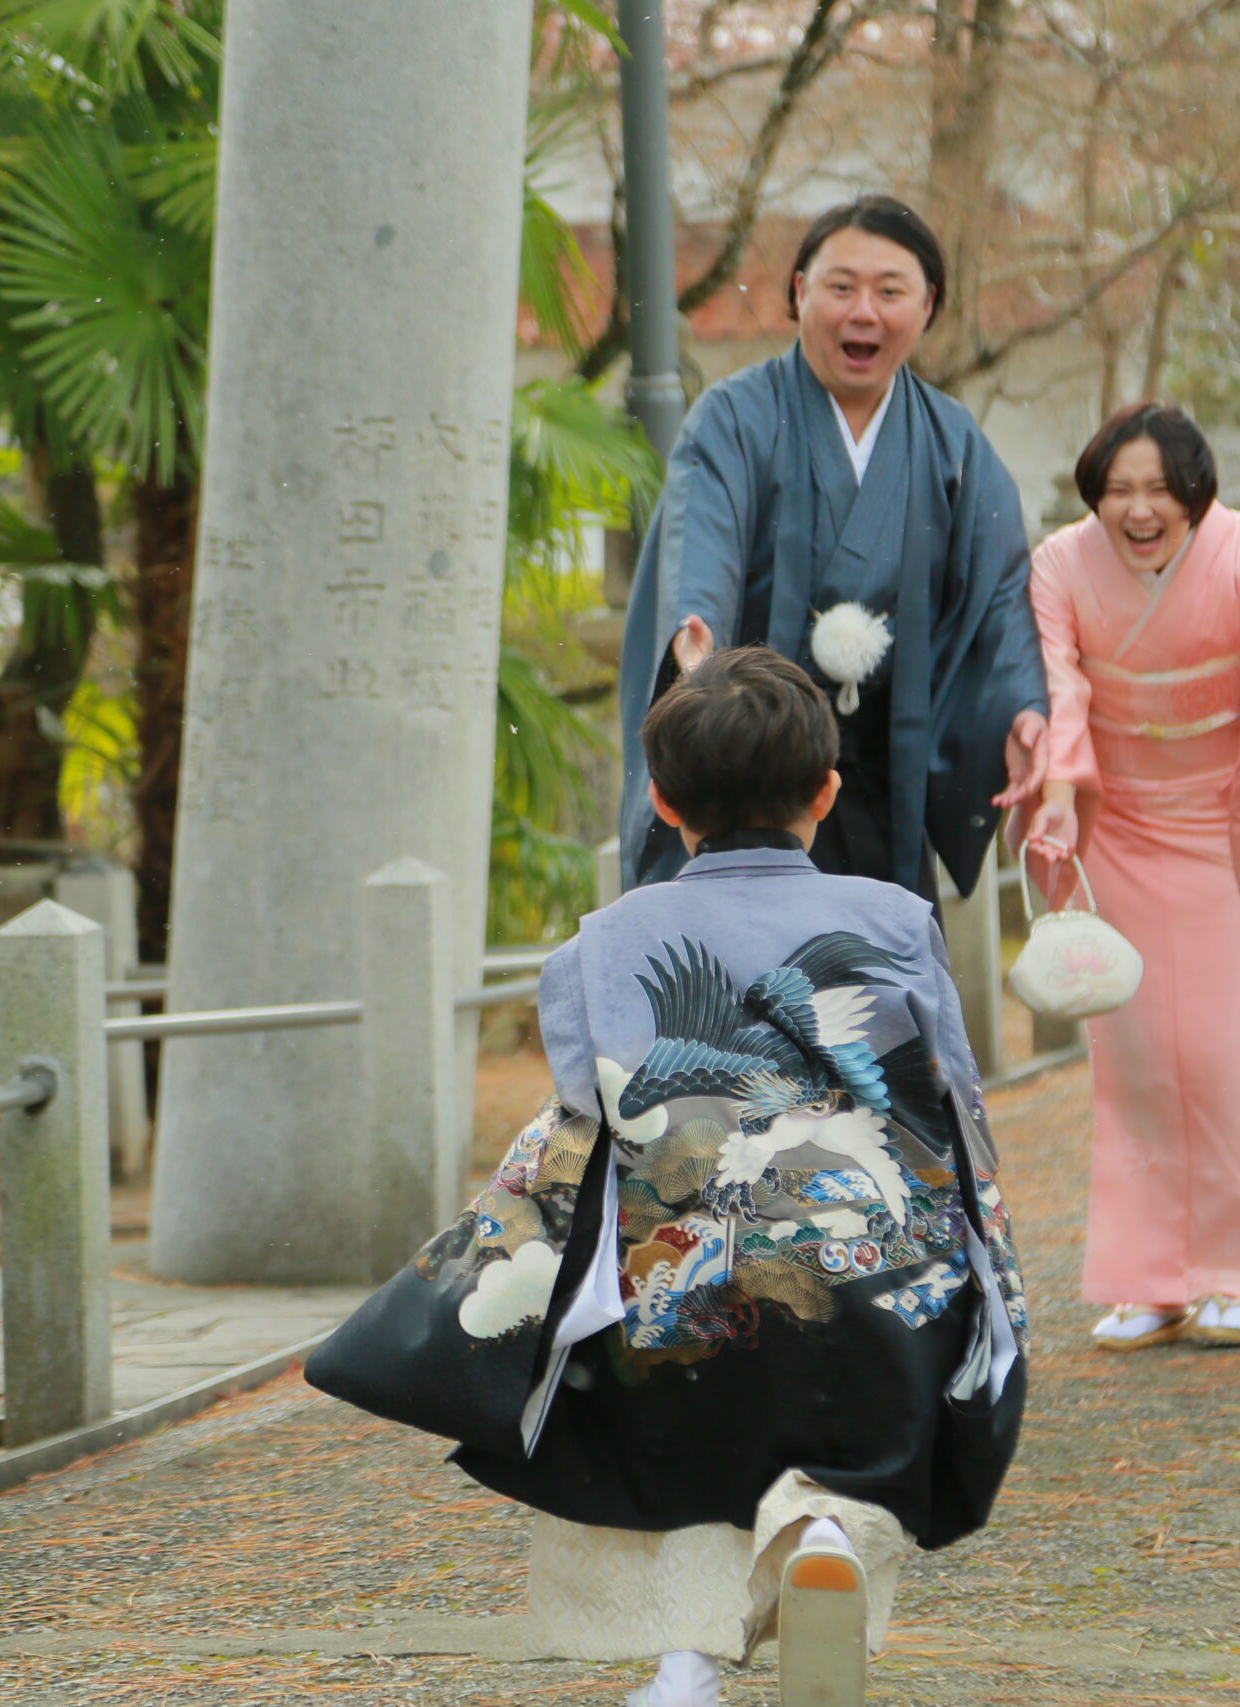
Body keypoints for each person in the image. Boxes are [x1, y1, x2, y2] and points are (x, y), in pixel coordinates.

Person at [310, 648, 1027, 1707]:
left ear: (659, 799)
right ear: (827, 794)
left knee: (674, 1411)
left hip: (686, 1290)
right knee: (880, 1395)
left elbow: (583, 1127)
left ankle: (686, 1665)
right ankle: (824, 1530)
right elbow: (952, 1107)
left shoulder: (602, 944)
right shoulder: (893, 922)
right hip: (871, 1290)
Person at [615, 194, 1049, 902]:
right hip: (750, 781)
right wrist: (696, 648)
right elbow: (701, 550)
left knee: (873, 986)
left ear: (929, 303)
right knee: (750, 985)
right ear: (799, 292)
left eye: (890, 291)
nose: (864, 312)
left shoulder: (954, 443)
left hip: (887, 783)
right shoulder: (732, 420)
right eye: (841, 287)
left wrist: (1023, 704)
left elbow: (1000, 593)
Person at [1015, 403, 1240, 1350]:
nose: (1139, 509)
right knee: (1140, 1058)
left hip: (1239, 805)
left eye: (1159, 489)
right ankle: (1148, 1277)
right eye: (1118, 491)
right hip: (1123, 820)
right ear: (1093, 497)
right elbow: (1059, 683)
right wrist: (1060, 793)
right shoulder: (1059, 565)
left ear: (1197, 490)